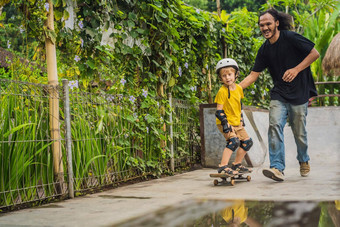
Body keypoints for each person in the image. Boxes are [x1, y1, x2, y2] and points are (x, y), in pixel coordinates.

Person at [239, 8, 320, 181]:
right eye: (261, 25)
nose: (265, 28)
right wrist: (234, 89)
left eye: (268, 23)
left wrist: (296, 69)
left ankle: (304, 160)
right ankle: (277, 167)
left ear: (276, 23)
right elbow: (253, 75)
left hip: (299, 92)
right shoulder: (264, 50)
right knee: (274, 125)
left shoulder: (290, 38)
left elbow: (314, 53)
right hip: (279, 93)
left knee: (299, 131)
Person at [214, 58, 253, 175]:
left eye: (230, 74)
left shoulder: (239, 89)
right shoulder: (222, 91)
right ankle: (223, 166)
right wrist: (225, 124)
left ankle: (237, 164)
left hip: (237, 122)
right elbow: (219, 111)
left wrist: (241, 119)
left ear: (236, 74)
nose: (227, 78)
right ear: (220, 78)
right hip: (225, 122)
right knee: (234, 141)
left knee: (247, 142)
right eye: (224, 75)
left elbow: (239, 105)